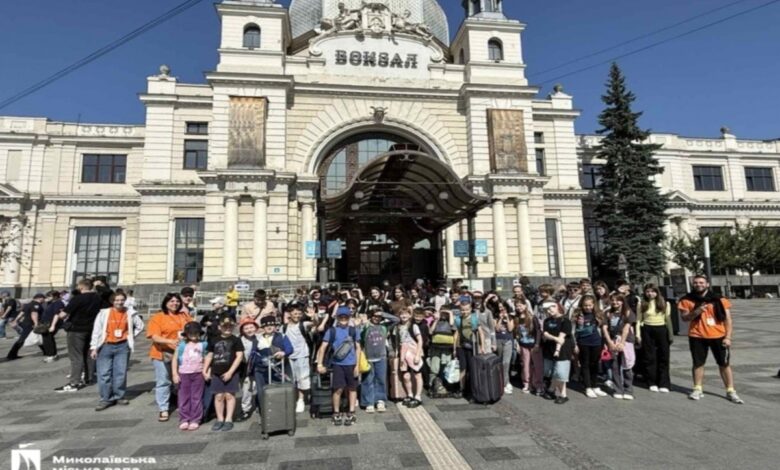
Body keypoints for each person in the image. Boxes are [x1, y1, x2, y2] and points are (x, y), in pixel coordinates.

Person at [678, 275, 743, 404]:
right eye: (696, 283)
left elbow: (728, 320)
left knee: (724, 364)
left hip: (719, 336)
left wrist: (728, 337)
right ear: (692, 284)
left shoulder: (719, 299)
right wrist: (696, 311)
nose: (698, 285)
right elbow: (685, 318)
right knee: (698, 363)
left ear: (707, 284)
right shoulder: (686, 300)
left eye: (701, 282)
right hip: (697, 336)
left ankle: (730, 390)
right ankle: (697, 389)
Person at [89, 292, 143, 411]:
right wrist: (94, 347)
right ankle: (106, 398)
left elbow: (140, 326)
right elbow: (97, 330)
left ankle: (119, 396)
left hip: (122, 346)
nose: (119, 302)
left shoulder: (130, 312)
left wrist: (130, 336)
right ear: (112, 301)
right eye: (117, 300)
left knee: (120, 372)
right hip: (105, 345)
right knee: (104, 374)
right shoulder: (104, 313)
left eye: (122, 300)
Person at [147, 293, 193, 421]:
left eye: (177, 301)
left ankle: (181, 403)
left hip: (182, 353)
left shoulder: (184, 316)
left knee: (180, 380)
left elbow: (193, 329)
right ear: (166, 303)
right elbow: (154, 336)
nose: (175, 304)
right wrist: (170, 341)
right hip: (162, 353)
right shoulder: (158, 317)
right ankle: (163, 408)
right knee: (163, 381)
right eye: (172, 301)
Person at [315, 307, 361, 426]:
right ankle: (336, 412)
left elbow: (358, 348)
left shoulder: (354, 330)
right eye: (341, 317)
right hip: (337, 364)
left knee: (352, 388)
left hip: (351, 364)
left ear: (349, 318)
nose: (343, 319)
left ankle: (351, 411)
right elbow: (322, 348)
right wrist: (319, 364)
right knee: (338, 389)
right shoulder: (331, 331)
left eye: (346, 317)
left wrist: (357, 365)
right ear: (337, 318)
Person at [55, 279, 103, 392]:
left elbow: (63, 314)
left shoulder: (78, 298)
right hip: (92, 329)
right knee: (89, 354)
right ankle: (89, 378)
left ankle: (74, 382)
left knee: (76, 356)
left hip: (76, 329)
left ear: (81, 287)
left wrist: (59, 314)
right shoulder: (98, 298)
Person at [205, 317, 245, 431]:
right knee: (218, 396)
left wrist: (230, 372)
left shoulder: (236, 340)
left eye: (230, 326)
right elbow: (209, 355)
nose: (228, 328)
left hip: (231, 372)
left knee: (229, 395)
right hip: (216, 371)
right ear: (219, 327)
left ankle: (228, 419)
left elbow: (239, 356)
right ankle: (220, 419)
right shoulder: (213, 340)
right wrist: (205, 370)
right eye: (225, 326)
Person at [637, 283, 673, 393]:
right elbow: (638, 320)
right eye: (648, 291)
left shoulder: (665, 303)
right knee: (650, 357)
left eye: (652, 291)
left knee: (664, 357)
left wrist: (670, 335)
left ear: (657, 292)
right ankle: (651, 382)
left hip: (661, 329)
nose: (650, 294)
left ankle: (664, 383)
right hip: (647, 329)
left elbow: (668, 320)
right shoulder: (641, 304)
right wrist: (638, 335)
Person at [172, 321, 208, 431]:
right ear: (186, 334)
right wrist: (174, 374)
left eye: (196, 333)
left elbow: (207, 358)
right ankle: (184, 419)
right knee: (183, 397)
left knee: (196, 397)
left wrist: (206, 371)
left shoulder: (204, 344)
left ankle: (195, 419)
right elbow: (175, 359)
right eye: (191, 333)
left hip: (198, 373)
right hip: (183, 373)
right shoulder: (182, 345)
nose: (194, 335)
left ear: (199, 333)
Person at [602, 294, 636, 400]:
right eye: (613, 300)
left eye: (618, 300)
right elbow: (604, 328)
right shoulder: (608, 313)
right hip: (612, 340)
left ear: (622, 301)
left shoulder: (628, 312)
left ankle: (628, 389)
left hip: (626, 341)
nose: (615, 302)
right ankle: (618, 389)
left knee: (627, 365)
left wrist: (622, 342)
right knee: (615, 365)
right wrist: (609, 342)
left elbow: (626, 328)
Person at [572, 294, 607, 398]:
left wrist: (604, 343)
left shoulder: (598, 314)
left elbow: (603, 329)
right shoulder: (577, 315)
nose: (587, 307)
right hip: (583, 343)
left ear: (593, 305)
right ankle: (588, 387)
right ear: (581, 305)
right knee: (585, 364)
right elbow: (573, 331)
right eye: (585, 305)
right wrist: (574, 344)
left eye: (590, 305)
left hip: (596, 342)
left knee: (595, 364)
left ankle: (595, 385)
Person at [281, 302, 313, 414]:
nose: (297, 316)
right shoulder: (283, 327)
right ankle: (292, 399)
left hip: (302, 355)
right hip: (288, 356)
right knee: (290, 379)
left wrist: (313, 316)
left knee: (302, 378)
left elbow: (314, 324)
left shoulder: (303, 324)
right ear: (289, 314)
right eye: (295, 313)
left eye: (299, 314)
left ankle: (301, 400)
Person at [541, 302, 573, 404]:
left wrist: (557, 350)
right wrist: (554, 338)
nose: (549, 310)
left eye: (551, 308)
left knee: (560, 372)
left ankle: (552, 389)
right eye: (547, 309)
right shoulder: (547, 320)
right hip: (549, 349)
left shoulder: (565, 321)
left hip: (563, 350)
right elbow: (545, 334)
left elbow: (562, 337)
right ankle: (561, 394)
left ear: (558, 307)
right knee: (550, 372)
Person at [427, 306, 458, 397]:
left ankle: (444, 386)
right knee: (434, 368)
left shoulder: (451, 322)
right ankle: (432, 385)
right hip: (436, 347)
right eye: (442, 312)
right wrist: (436, 320)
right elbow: (430, 332)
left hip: (447, 348)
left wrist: (450, 313)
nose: (443, 314)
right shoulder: (435, 321)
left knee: (445, 366)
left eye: (445, 313)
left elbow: (452, 326)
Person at [515, 299, 544, 395]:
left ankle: (538, 385)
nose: (519, 308)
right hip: (523, 345)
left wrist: (537, 344)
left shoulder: (532, 317)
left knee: (537, 366)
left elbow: (538, 331)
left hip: (534, 345)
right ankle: (527, 384)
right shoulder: (517, 318)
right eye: (517, 306)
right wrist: (517, 344)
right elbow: (517, 333)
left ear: (525, 305)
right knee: (525, 365)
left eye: (520, 305)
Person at [398, 306, 425, 407]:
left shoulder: (413, 326)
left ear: (410, 315)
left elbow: (420, 340)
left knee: (418, 375)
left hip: (413, 351)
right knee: (406, 376)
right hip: (403, 353)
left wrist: (418, 355)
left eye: (406, 314)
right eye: (401, 314)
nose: (403, 316)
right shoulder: (398, 326)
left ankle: (418, 396)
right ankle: (409, 394)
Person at [7, 292, 45, 360]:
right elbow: (34, 314)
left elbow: (21, 313)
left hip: (26, 323)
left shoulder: (28, 304)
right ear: (40, 298)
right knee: (22, 339)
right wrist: (36, 324)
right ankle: (11, 354)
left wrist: (16, 320)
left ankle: (46, 351)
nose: (44, 300)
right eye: (43, 298)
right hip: (31, 324)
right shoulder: (36, 305)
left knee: (39, 337)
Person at [455, 298, 481, 397]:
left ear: (470, 309)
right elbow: (457, 334)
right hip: (461, 346)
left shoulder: (474, 319)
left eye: (466, 310)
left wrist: (481, 346)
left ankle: (473, 390)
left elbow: (480, 333)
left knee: (472, 368)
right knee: (462, 368)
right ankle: (461, 388)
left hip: (472, 346)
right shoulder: (458, 319)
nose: (464, 312)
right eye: (462, 310)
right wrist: (455, 347)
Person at [237, 316, 260, 421]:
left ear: (255, 328)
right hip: (245, 368)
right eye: (246, 328)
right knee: (246, 389)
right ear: (242, 330)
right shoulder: (239, 340)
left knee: (259, 387)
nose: (249, 330)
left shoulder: (260, 338)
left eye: (251, 327)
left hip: (258, 367)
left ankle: (260, 405)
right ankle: (245, 409)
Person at [494, 301, 515, 395]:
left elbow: (510, 329)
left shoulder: (511, 317)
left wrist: (507, 318)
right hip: (498, 340)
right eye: (500, 307)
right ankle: (501, 381)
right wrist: (500, 319)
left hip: (508, 341)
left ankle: (506, 383)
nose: (501, 309)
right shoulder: (496, 317)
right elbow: (497, 329)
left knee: (506, 362)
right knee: (499, 362)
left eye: (503, 307)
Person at [41, 290, 65, 361]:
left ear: (55, 297)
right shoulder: (50, 303)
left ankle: (51, 355)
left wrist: (53, 325)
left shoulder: (58, 303)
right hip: (46, 323)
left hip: (51, 323)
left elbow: (56, 314)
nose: (47, 298)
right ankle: (53, 354)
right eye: (47, 296)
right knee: (48, 338)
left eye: (49, 296)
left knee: (48, 339)